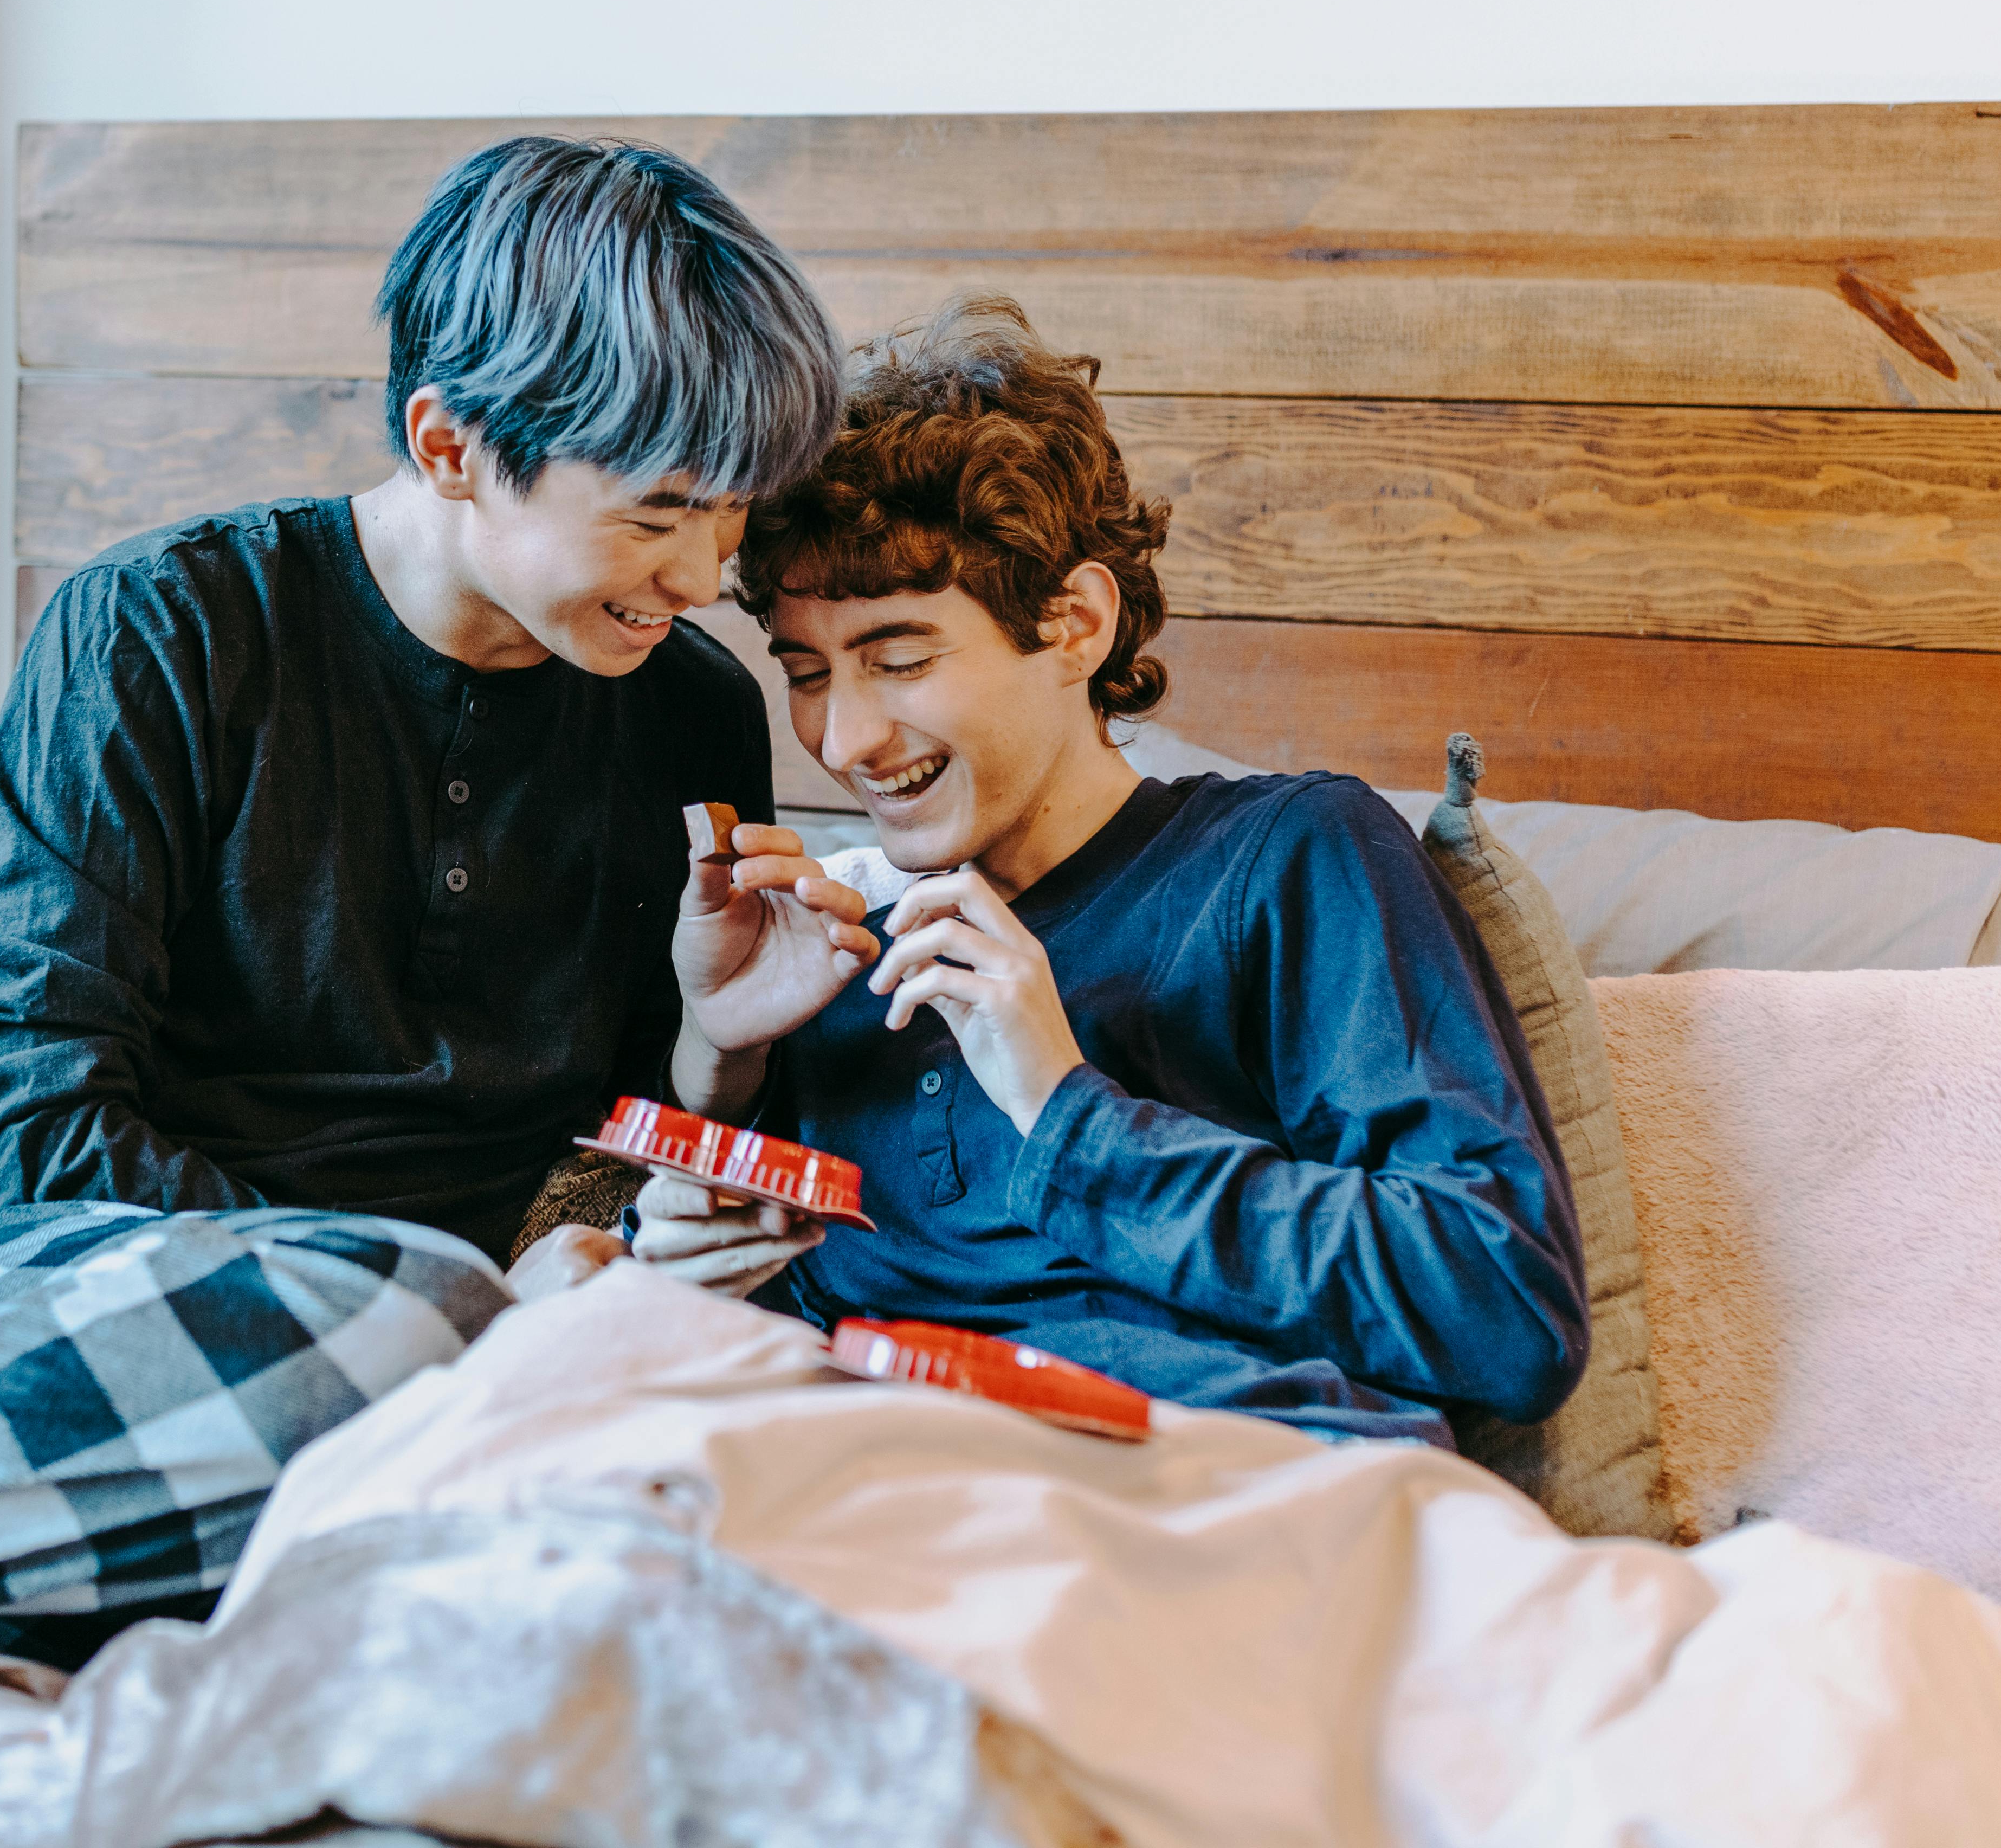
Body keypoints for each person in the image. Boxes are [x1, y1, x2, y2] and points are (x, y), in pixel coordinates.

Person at [0, 138, 873, 1646]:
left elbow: (609, 1159)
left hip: (454, 1341)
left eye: (735, 518)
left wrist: (718, 1051)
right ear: (450, 446)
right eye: (658, 514)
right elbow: (19, 1134)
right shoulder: (162, 630)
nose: (706, 576)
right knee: (394, 1343)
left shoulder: (689, 708)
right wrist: (443, 1308)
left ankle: (269, 1539)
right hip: (42, 1275)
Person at [634, 297, 1589, 1444]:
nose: (842, 742)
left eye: (898, 657)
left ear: (1075, 622)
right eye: (806, 671)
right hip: (874, 1488)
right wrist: (722, 1065)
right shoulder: (833, 952)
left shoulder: (1289, 859)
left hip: (1215, 1495)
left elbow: (1503, 1306)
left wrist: (1063, 1109)